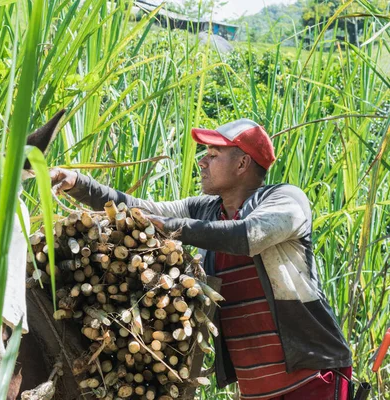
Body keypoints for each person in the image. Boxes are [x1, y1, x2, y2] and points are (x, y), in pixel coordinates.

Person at [50, 119, 353, 400]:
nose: (202, 161)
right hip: (255, 389)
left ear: (243, 163)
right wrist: (78, 182)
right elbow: (138, 208)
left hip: (313, 378)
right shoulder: (204, 210)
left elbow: (246, 236)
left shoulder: (285, 199)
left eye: (213, 154)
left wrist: (171, 227)